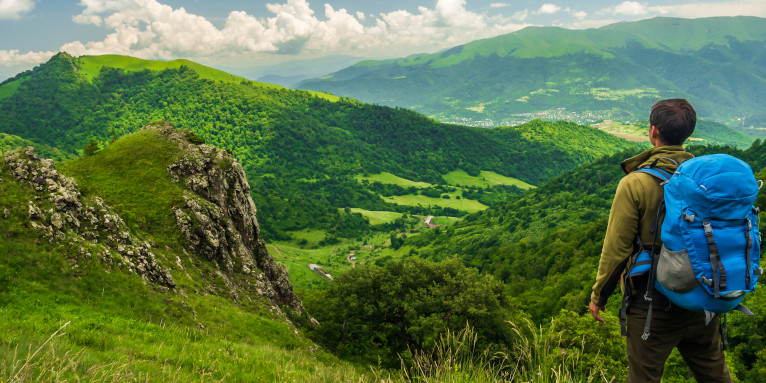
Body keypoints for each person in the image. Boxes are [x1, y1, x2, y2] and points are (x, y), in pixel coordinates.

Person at [589, 99, 733, 382]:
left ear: (653, 131)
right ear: (688, 133)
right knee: (716, 376)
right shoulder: (707, 181)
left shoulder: (635, 184)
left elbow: (616, 249)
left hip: (652, 303)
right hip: (704, 296)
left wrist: (598, 296)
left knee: (644, 377)